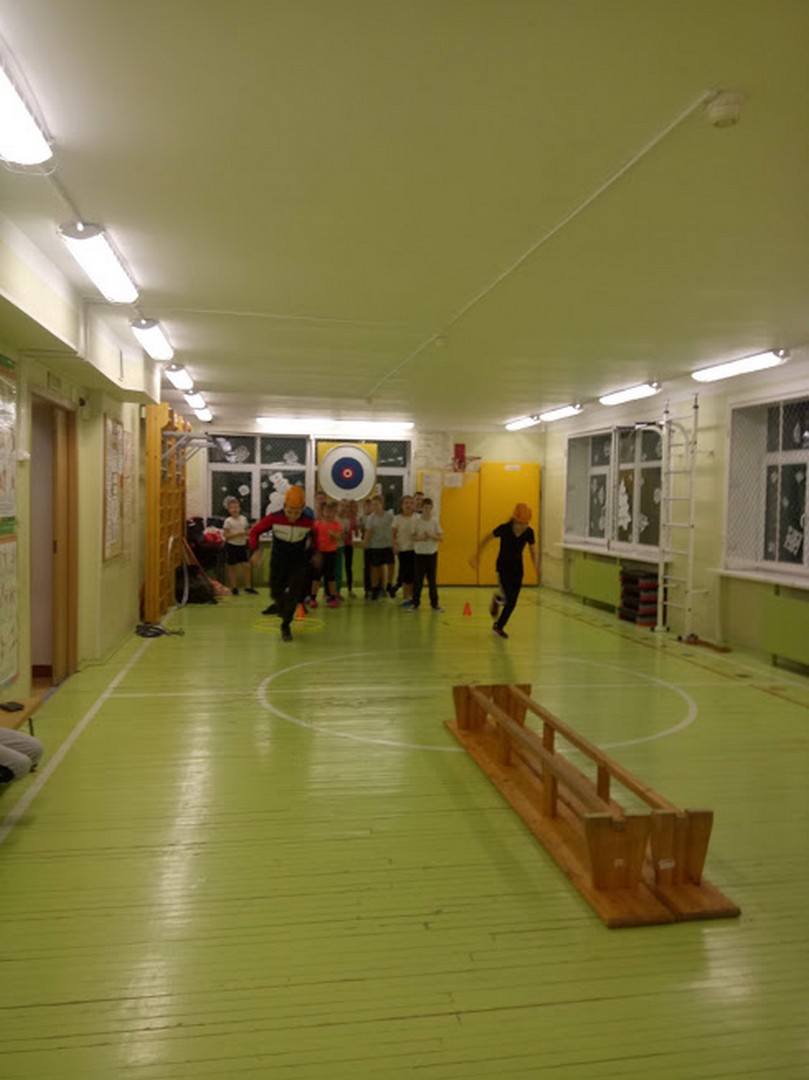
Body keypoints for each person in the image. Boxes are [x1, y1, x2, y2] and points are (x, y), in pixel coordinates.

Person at [248, 485, 315, 642]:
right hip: (279, 561)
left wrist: (314, 552)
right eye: (289, 511)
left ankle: (286, 626)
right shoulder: (274, 518)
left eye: (297, 512)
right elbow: (254, 532)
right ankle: (281, 607)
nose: (293, 516)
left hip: (298, 562)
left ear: (303, 509)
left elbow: (315, 537)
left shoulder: (308, 521)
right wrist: (255, 550)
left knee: (294, 594)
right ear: (284, 506)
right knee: (275, 593)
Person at [472, 503, 538, 639]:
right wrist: (477, 557)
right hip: (503, 567)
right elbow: (487, 538)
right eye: (520, 523)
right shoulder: (504, 529)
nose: (523, 526)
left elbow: (533, 551)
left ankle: (498, 626)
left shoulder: (529, 532)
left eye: (526, 523)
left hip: (518, 568)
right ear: (514, 520)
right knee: (508, 598)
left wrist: (537, 566)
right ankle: (498, 601)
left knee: (512, 602)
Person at [409, 497, 444, 612]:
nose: (427, 510)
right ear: (422, 508)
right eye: (425, 508)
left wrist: (431, 535)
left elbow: (441, 538)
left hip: (431, 554)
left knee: (432, 580)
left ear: (432, 508)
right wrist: (421, 537)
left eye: (429, 508)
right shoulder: (416, 521)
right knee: (418, 580)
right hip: (419, 553)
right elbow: (412, 537)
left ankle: (435, 604)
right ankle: (415, 603)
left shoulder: (434, 521)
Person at [309, 499, 343, 608]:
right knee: (316, 577)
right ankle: (313, 598)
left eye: (331, 511)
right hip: (319, 553)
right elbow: (313, 538)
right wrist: (314, 553)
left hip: (331, 553)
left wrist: (334, 534)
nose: (328, 514)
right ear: (323, 512)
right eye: (326, 511)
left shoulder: (336, 524)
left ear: (335, 512)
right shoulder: (318, 524)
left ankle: (332, 597)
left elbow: (339, 537)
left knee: (330, 577)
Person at [222, 497, 258, 595]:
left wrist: (250, 532)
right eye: (232, 507)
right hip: (232, 546)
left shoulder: (243, 519)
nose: (234, 509)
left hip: (242, 545)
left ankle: (248, 587)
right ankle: (234, 588)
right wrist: (239, 534)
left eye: (236, 507)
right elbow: (226, 536)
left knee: (246, 566)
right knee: (232, 567)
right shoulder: (228, 521)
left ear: (239, 508)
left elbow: (247, 531)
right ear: (229, 510)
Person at [362, 494, 395, 600]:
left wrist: (395, 543)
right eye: (373, 504)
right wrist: (364, 542)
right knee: (375, 568)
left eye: (376, 504)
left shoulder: (389, 516)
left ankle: (389, 585)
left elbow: (394, 530)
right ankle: (374, 589)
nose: (374, 506)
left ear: (382, 504)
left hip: (387, 545)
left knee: (390, 565)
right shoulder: (370, 518)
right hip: (375, 546)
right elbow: (368, 532)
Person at [392, 494, 417, 607]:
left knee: (414, 575)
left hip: (416, 550)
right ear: (401, 505)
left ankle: (413, 597)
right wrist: (394, 545)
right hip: (403, 550)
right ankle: (406, 597)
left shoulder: (417, 518)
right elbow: (393, 534)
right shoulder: (397, 518)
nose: (408, 505)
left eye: (411, 503)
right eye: (406, 503)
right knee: (406, 575)